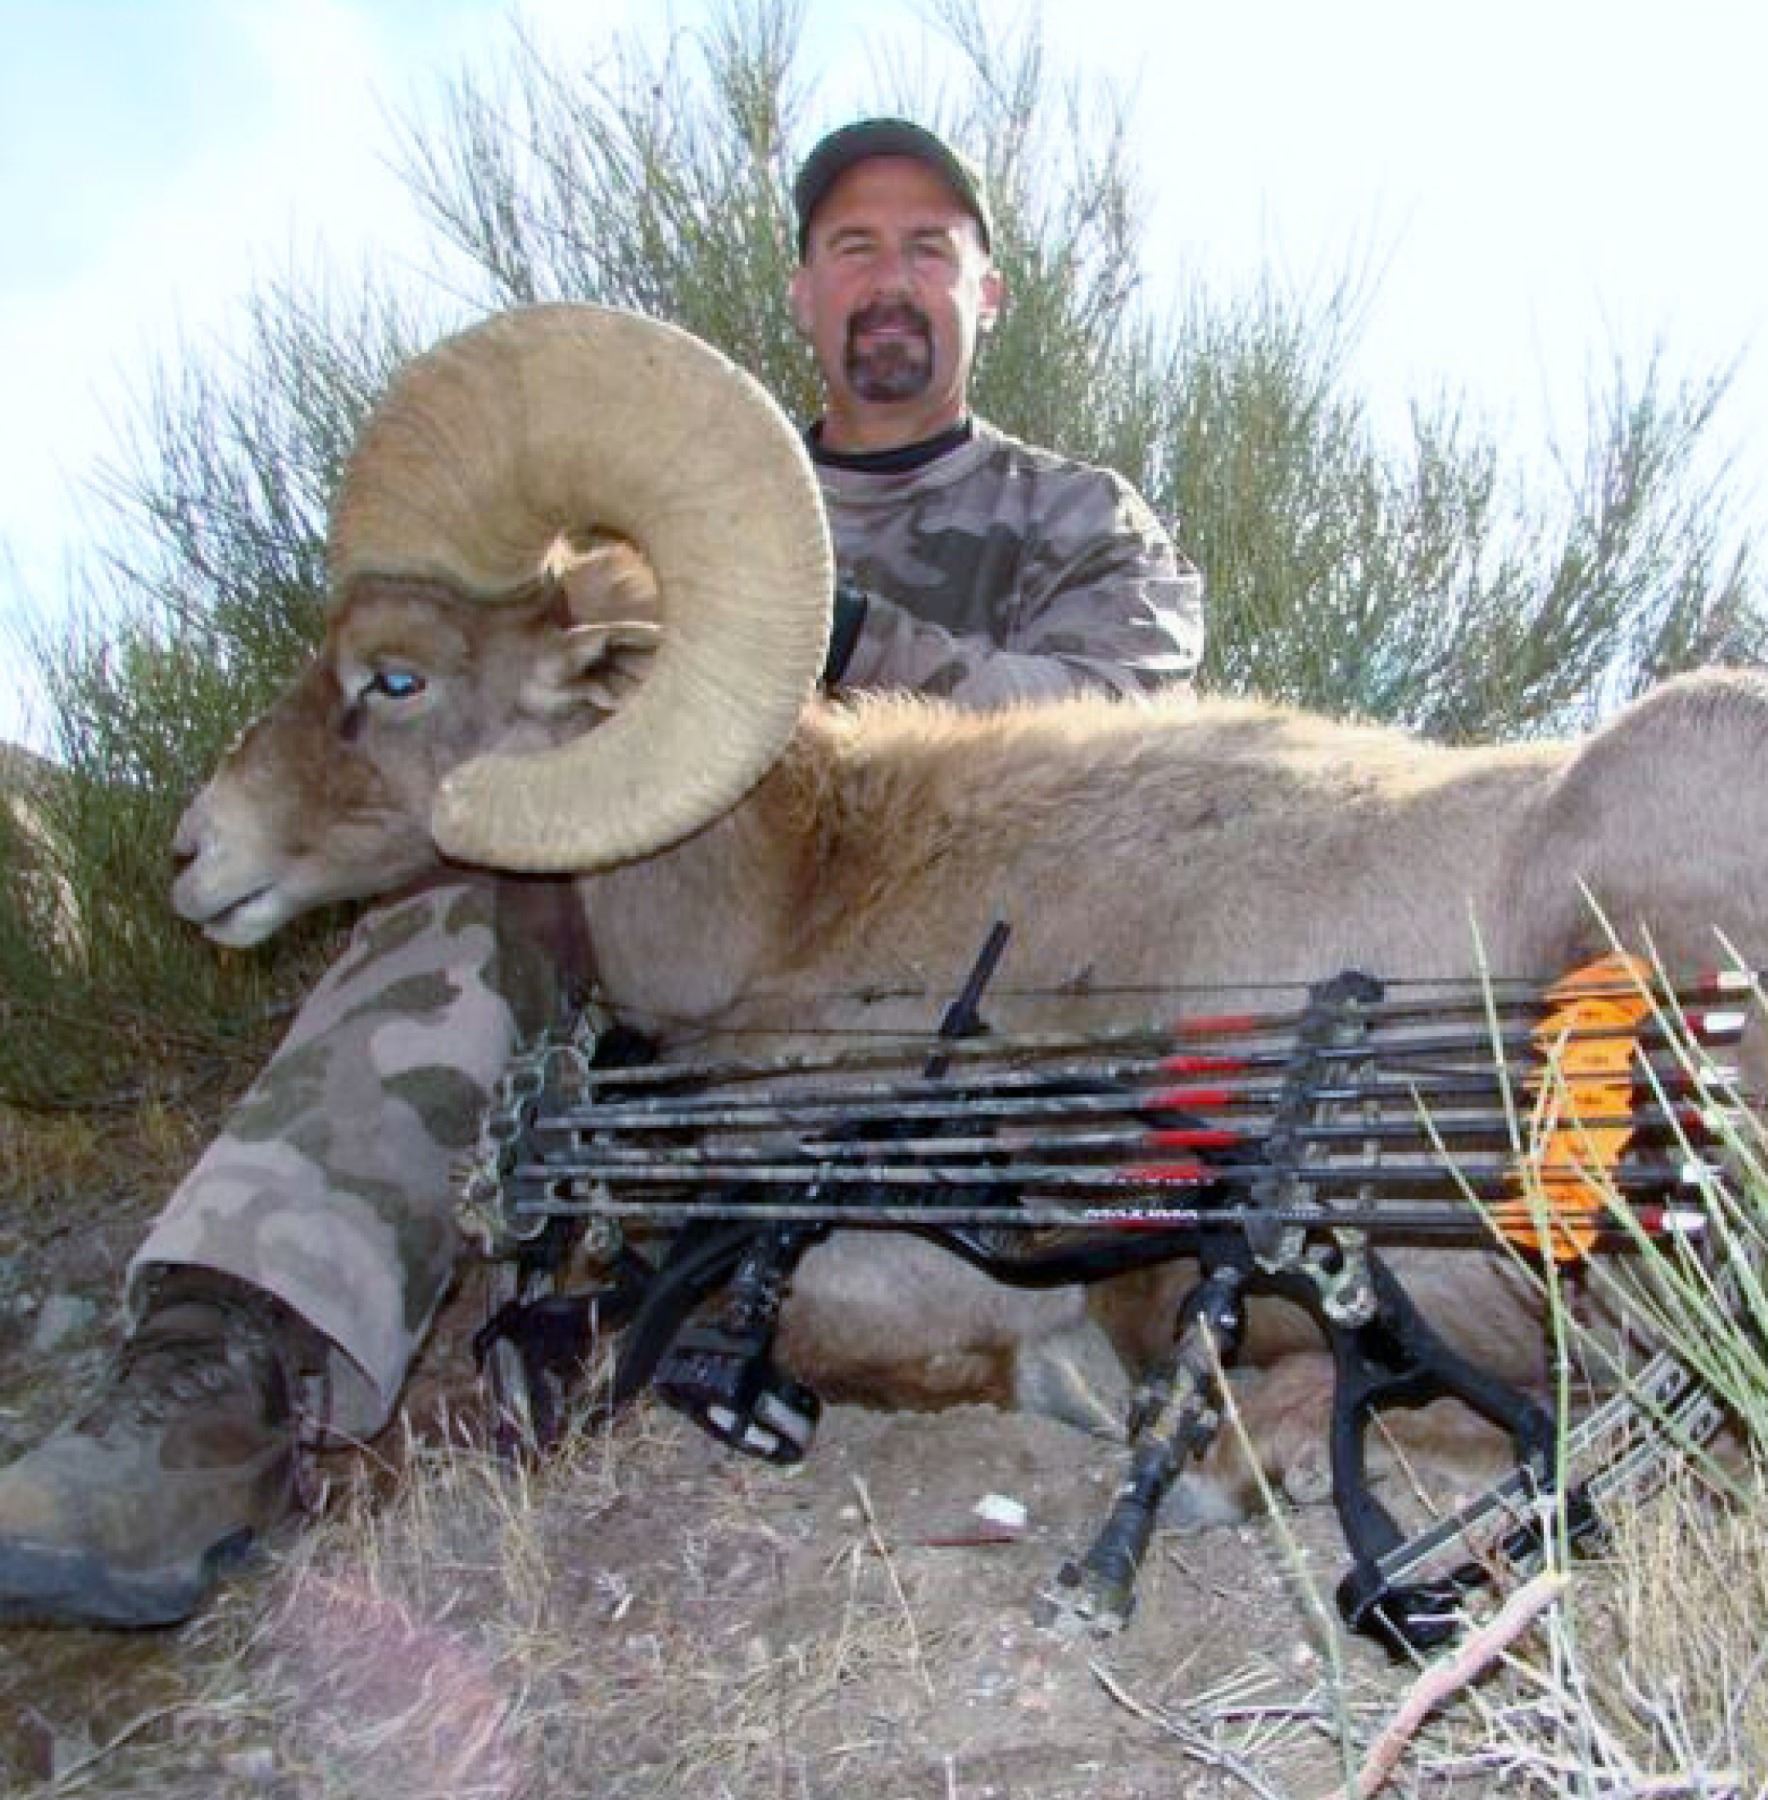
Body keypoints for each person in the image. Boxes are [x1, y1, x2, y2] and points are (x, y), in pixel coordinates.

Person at [0, 118, 1202, 1628]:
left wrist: (843, 633)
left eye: (927, 248)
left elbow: (1123, 734)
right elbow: (467, 700)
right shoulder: (665, 521)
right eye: (853, 246)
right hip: (653, 949)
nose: (890, 278)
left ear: (988, 292)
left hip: (941, 951)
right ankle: (207, 1393)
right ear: (803, 290)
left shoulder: (1077, 520)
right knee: (484, 875)